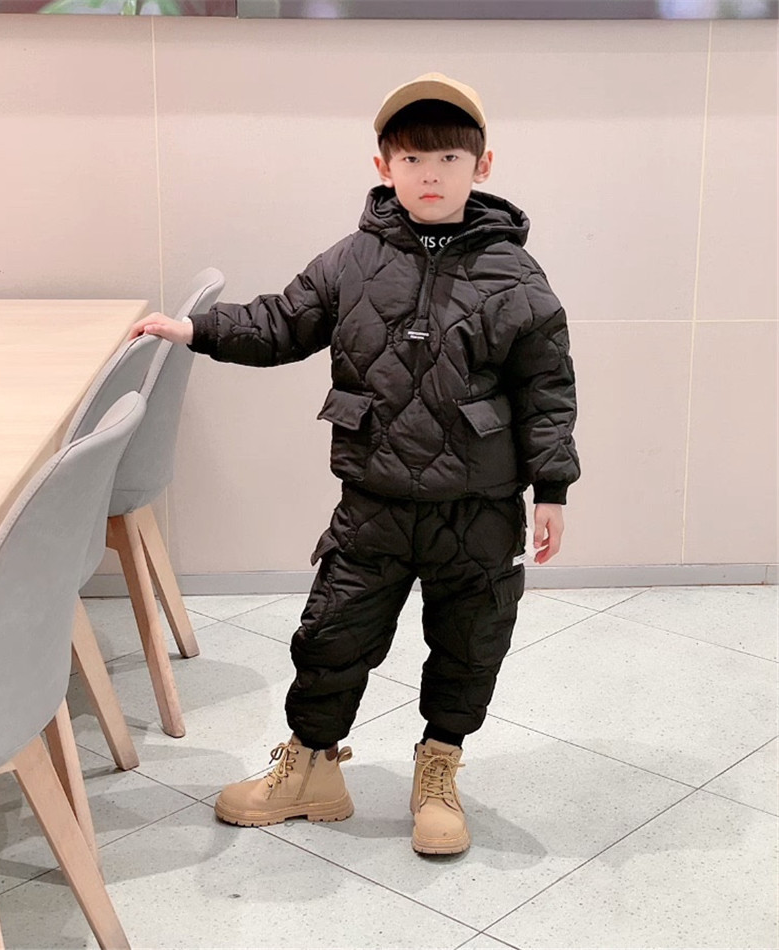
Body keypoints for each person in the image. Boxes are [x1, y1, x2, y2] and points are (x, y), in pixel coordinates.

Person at [129, 73, 580, 855]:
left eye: (448, 158)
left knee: (471, 643)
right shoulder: (352, 261)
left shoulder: (517, 277)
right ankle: (311, 769)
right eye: (412, 159)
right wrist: (198, 329)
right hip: (373, 501)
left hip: (477, 506)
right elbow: (281, 322)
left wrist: (554, 489)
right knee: (331, 634)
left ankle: (438, 769)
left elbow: (547, 388)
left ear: (482, 165)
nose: (430, 174)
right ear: (383, 167)